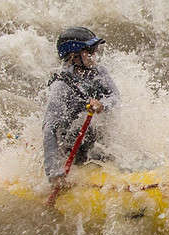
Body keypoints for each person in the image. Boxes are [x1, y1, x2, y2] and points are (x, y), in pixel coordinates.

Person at [43, 26, 119, 190]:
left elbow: (115, 97)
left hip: (94, 139)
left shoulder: (99, 72)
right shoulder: (61, 86)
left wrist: (102, 105)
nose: (95, 55)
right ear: (73, 56)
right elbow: (49, 128)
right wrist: (54, 173)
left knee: (100, 133)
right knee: (83, 131)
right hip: (70, 145)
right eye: (90, 51)